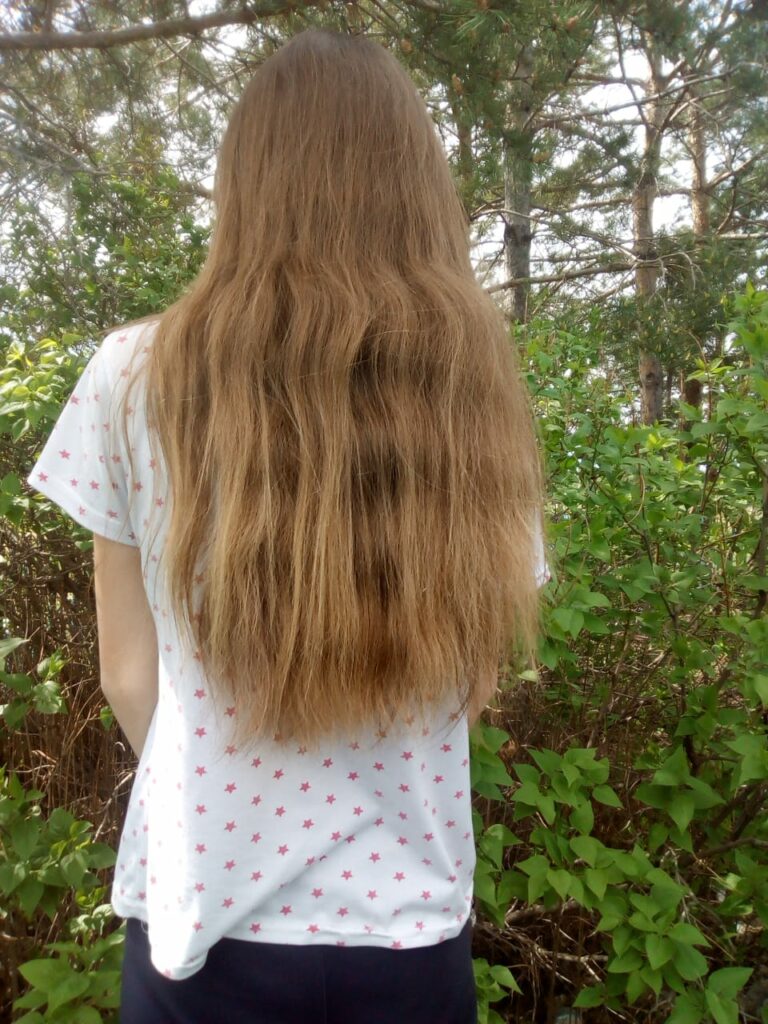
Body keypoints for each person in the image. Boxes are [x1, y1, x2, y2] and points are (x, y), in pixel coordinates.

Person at [26, 26, 550, 1024]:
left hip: (202, 925)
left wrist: (220, 784)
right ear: (417, 189)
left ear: (247, 183)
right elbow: (474, 679)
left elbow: (127, 675)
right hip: (407, 932)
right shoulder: (471, 392)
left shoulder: (134, 374)